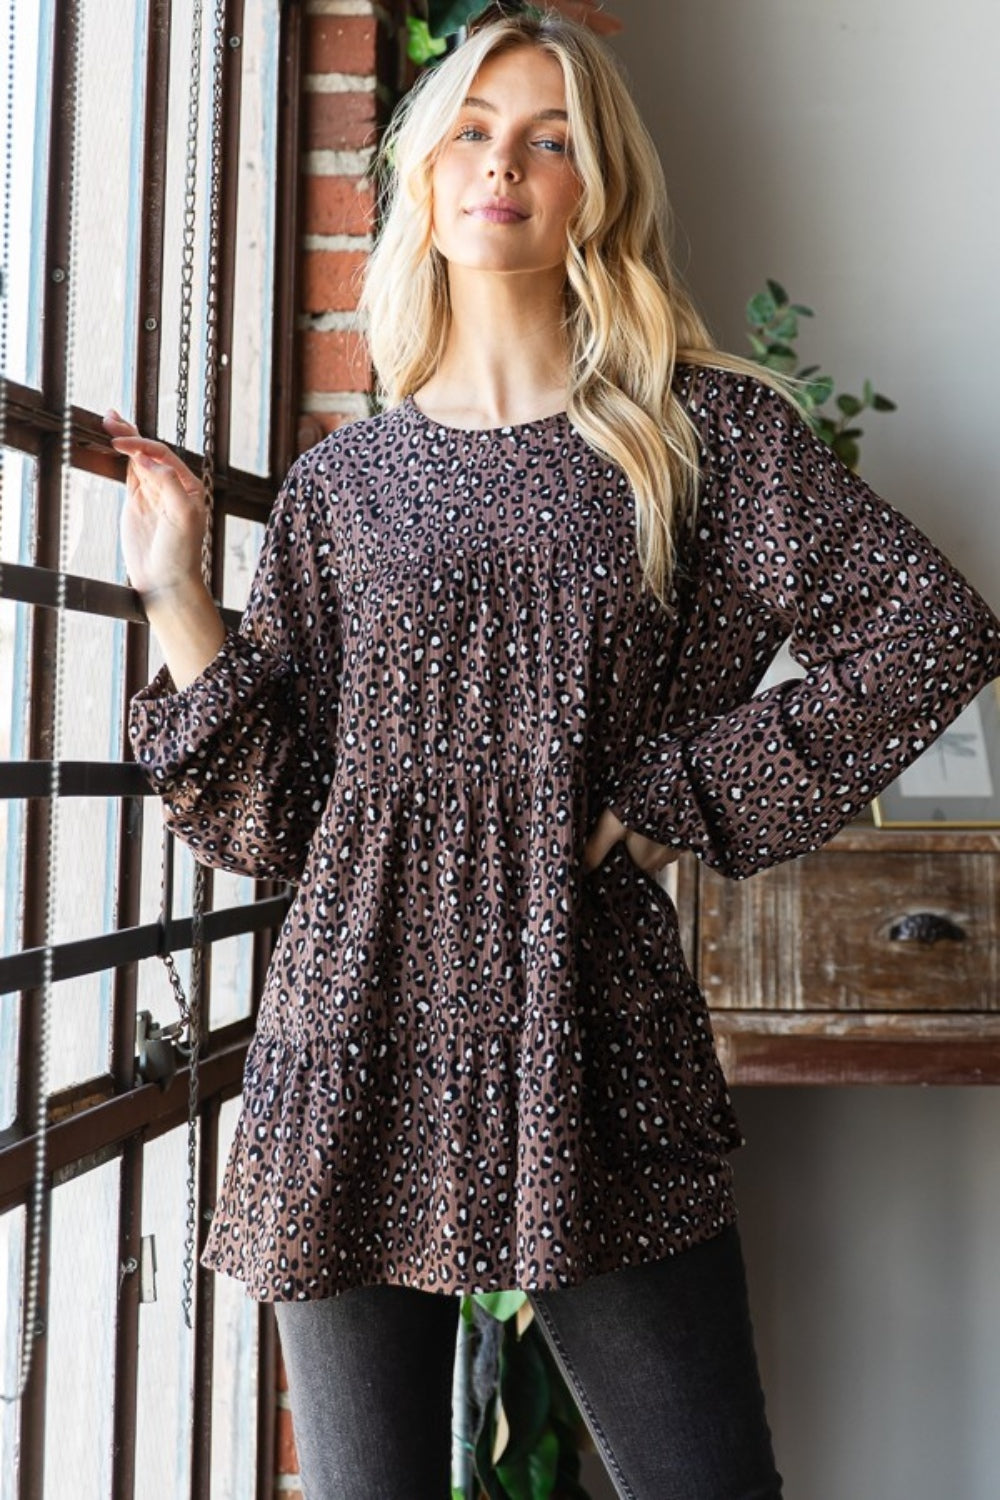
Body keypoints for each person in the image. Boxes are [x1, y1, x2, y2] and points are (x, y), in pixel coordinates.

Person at [104, 8, 1000, 1499]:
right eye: (470, 129)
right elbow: (281, 820)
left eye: (548, 138)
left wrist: (673, 798)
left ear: (600, 184)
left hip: (586, 1022)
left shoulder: (699, 434)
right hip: (351, 1020)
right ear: (424, 173)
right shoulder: (346, 482)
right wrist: (177, 594)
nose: (501, 164)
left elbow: (929, 631)